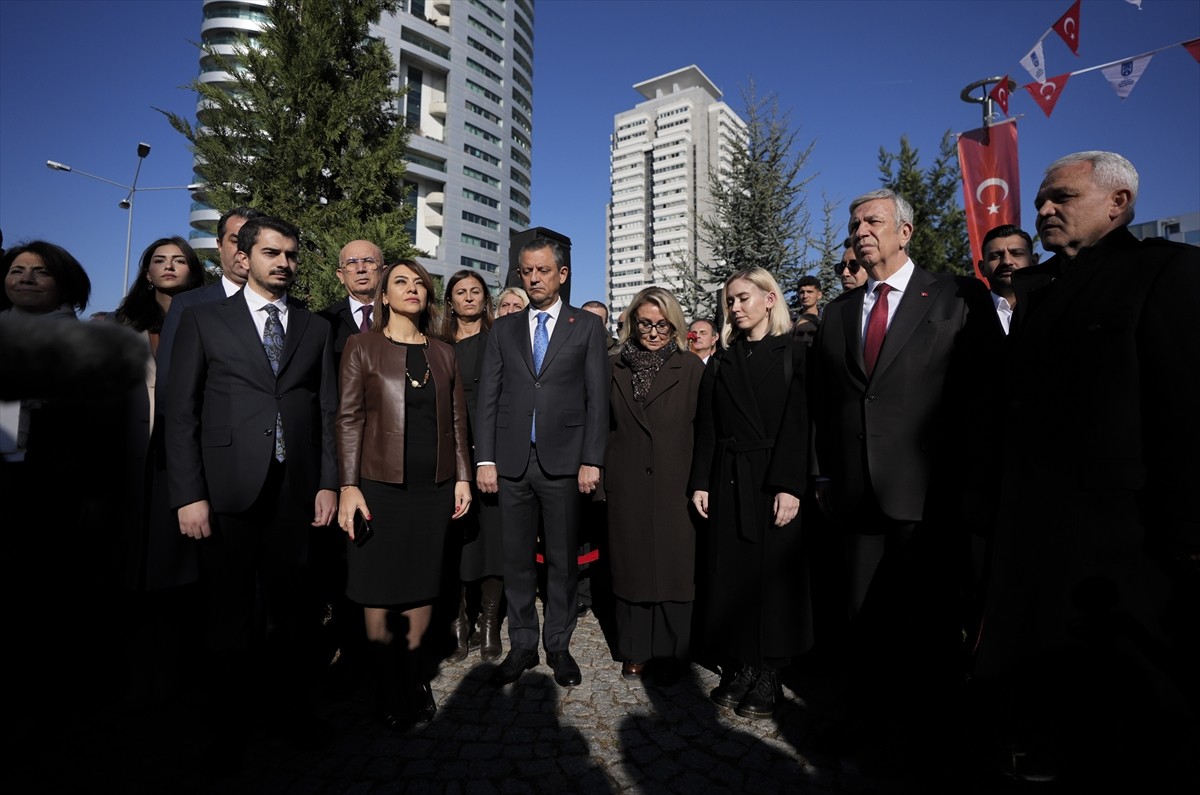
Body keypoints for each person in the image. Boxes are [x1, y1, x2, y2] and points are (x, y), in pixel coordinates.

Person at [974, 151, 1199, 788]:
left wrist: (1188, 530)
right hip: (1032, 529)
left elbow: (1184, 406)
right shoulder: (1036, 291)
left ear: (1118, 203)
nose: (1043, 208)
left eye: (1062, 198)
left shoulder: (1167, 271)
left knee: (1135, 706)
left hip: (1126, 538)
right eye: (1041, 198)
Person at [808, 189, 998, 769]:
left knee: (932, 623)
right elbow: (824, 403)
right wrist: (822, 479)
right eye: (855, 221)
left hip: (931, 495)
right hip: (856, 495)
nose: (861, 229)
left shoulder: (955, 295)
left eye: (873, 220)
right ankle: (866, 717)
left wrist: (973, 483)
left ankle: (935, 735)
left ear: (905, 232)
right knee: (862, 619)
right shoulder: (840, 312)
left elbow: (984, 393)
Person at [164, 216, 338, 768]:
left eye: (290, 253)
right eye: (271, 252)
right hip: (226, 490)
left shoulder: (315, 328)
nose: (282, 262)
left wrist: (329, 484)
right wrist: (188, 494)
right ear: (243, 255)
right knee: (228, 615)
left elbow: (328, 412)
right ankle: (228, 723)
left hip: (296, 490)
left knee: (292, 613)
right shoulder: (204, 320)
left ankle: (290, 709)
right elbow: (181, 412)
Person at [337, 259, 472, 729]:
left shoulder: (444, 353)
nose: (412, 289)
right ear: (384, 295)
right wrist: (348, 486)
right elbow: (349, 418)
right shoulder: (362, 346)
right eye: (401, 282)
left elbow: (457, 422)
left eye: (419, 283)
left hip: (432, 486)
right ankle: (383, 678)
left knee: (420, 581)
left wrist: (462, 477)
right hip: (375, 484)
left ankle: (413, 676)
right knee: (376, 584)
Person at [475, 236, 609, 688]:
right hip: (510, 463)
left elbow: (597, 399)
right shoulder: (504, 329)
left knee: (561, 561)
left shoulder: (586, 328)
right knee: (515, 560)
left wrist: (592, 460)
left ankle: (558, 645)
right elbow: (488, 399)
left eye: (542, 271)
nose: (533, 279)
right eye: (526, 271)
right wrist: (485, 460)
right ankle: (523, 646)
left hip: (566, 463)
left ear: (562, 274)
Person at [689, 267, 811, 720]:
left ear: (769, 299)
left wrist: (789, 485)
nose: (735, 308)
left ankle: (770, 671)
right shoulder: (722, 359)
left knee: (772, 577)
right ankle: (741, 663)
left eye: (743, 298)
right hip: (728, 475)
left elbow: (799, 421)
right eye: (730, 301)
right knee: (732, 575)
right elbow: (708, 426)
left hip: (773, 478)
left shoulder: (793, 352)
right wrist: (701, 480)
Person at [106, 238, 206, 710]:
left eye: (179, 260)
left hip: (185, 462)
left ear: (193, 269)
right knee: (131, 572)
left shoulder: (207, 320)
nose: (169, 267)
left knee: (181, 574)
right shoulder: (119, 327)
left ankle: (178, 674)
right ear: (146, 272)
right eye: (159, 261)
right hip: (133, 463)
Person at [606, 286, 705, 683]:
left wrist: (700, 482)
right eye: (645, 323)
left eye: (662, 325)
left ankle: (673, 651)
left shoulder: (692, 367)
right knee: (632, 568)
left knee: (675, 567)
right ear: (632, 323)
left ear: (674, 325)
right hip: (626, 481)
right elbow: (602, 426)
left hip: (675, 482)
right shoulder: (612, 366)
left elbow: (704, 429)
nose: (652, 332)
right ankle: (635, 650)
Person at [440, 269, 505, 663]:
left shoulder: (500, 340)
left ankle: (491, 622)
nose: (468, 298)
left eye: (475, 292)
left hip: (494, 452)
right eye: (460, 292)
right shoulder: (437, 344)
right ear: (450, 301)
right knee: (456, 538)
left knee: (493, 540)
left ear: (486, 299)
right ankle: (459, 621)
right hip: (449, 453)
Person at [157, 206, 264, 392]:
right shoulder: (188, 306)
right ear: (219, 245)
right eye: (236, 240)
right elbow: (170, 382)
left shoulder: (289, 309)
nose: (243, 251)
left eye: (252, 242)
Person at [321, 239, 385, 368]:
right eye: (351, 263)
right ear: (341, 276)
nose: (360, 269)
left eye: (368, 261)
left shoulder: (401, 318)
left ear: (383, 272)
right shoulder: (324, 322)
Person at [977, 224, 1037, 335]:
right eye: (995, 256)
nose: (1006, 261)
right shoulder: (967, 314)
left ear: (1034, 261)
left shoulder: (1054, 307)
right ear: (982, 268)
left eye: (1017, 253)